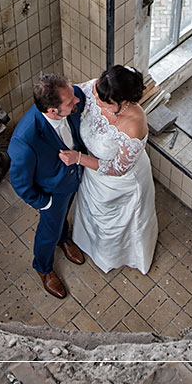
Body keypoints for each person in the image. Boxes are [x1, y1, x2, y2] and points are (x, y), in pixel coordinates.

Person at [57, 65, 157, 274]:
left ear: (122, 101)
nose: (97, 101)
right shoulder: (97, 89)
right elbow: (71, 95)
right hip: (93, 176)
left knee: (116, 224)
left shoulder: (134, 124)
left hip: (120, 181)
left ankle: (121, 255)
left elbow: (118, 168)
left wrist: (78, 158)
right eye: (97, 95)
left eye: (105, 102)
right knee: (92, 214)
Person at [7, 72, 90, 299]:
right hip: (52, 192)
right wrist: (44, 202)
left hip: (73, 178)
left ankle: (64, 239)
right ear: (53, 111)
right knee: (48, 231)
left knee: (63, 218)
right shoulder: (25, 140)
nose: (77, 101)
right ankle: (43, 267)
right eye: (70, 101)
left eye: (72, 94)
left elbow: (85, 92)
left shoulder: (72, 98)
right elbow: (20, 182)